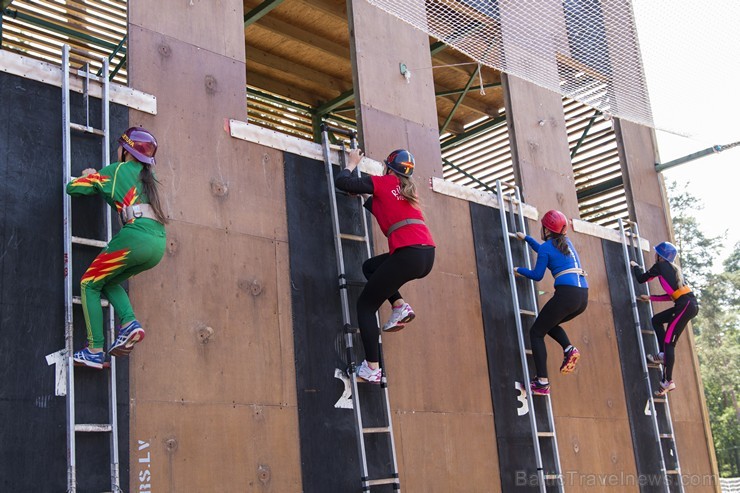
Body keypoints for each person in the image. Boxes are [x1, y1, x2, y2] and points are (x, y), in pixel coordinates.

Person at [66, 127, 167, 368]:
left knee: (88, 283)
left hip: (135, 238)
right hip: (157, 244)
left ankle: (94, 349)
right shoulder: (150, 180)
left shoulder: (117, 170)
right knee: (108, 282)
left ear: (126, 151)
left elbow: (74, 188)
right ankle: (129, 323)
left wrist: (89, 174)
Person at [334, 148, 435, 383]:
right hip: (426, 255)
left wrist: (351, 163)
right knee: (370, 267)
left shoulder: (383, 181)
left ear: (388, 168)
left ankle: (372, 368)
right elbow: (383, 207)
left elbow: (342, 181)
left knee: (365, 307)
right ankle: (399, 305)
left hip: (407, 253)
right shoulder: (408, 190)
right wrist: (360, 194)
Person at [513, 210, 588, 395]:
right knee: (549, 324)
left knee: (536, 332)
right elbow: (545, 252)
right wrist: (528, 239)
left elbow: (537, 274)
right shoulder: (566, 244)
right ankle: (569, 348)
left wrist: (518, 269)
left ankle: (542, 383)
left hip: (566, 295)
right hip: (582, 297)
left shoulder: (547, 247)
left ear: (546, 229)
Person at [630, 241, 698, 396]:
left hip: (685, 306)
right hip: (687, 305)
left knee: (669, 342)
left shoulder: (660, 267)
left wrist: (635, 266)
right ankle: (662, 355)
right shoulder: (673, 270)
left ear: (660, 256)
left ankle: (668, 380)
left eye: (656, 253)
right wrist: (651, 297)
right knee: (657, 320)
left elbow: (641, 278)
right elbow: (673, 295)